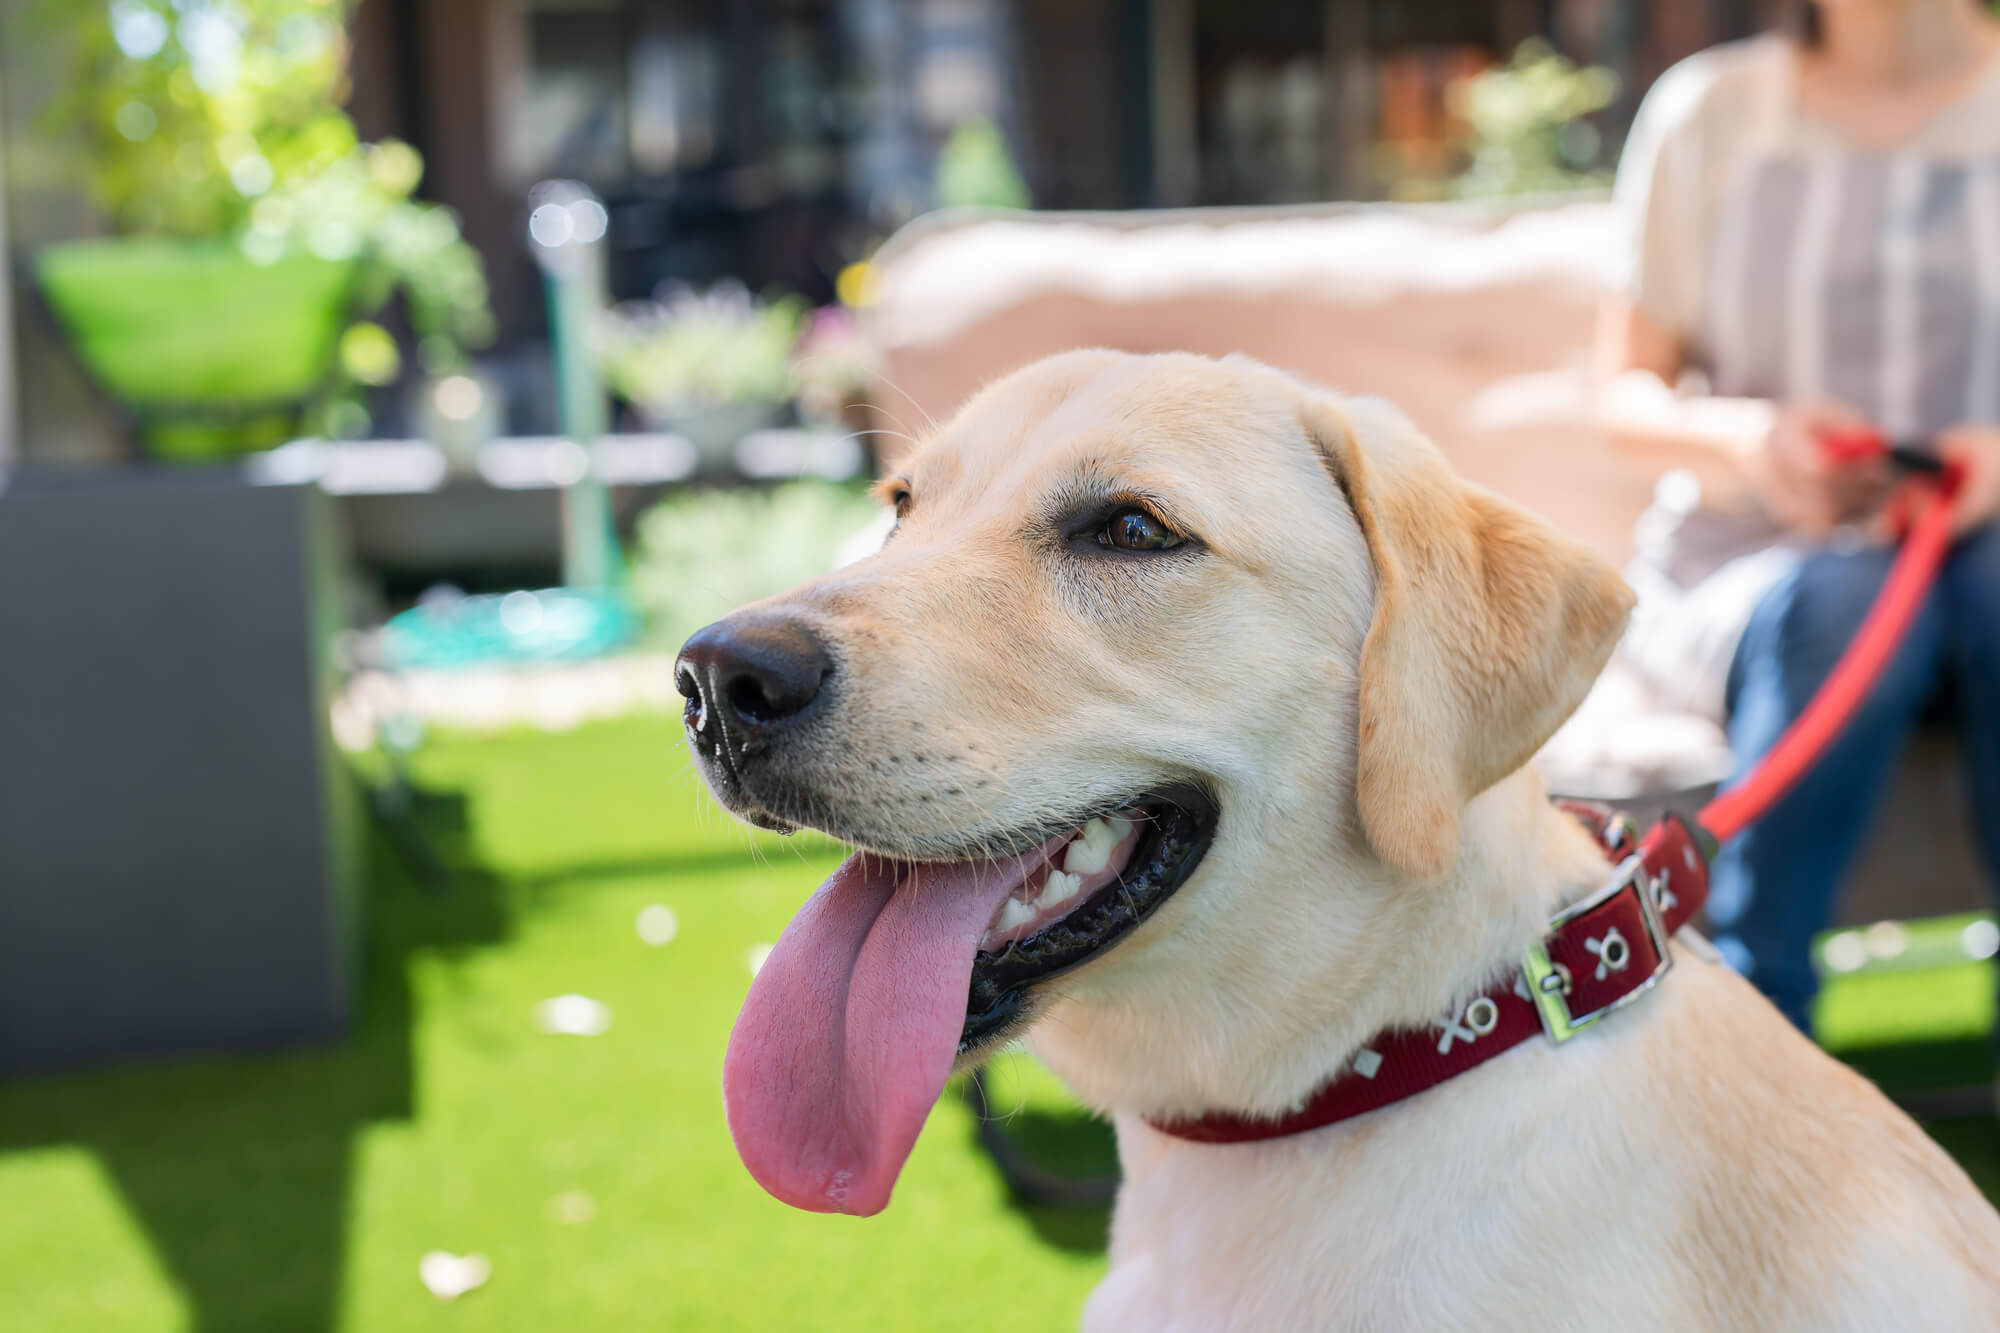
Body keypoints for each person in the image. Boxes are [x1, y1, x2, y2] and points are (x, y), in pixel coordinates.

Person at [1598, 0, 2000, 1030]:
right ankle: (1753, 1017)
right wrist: (1751, 441)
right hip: (1757, 569)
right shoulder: (1709, 112)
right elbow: (1622, 399)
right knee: (1849, 594)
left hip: (1980, 575)